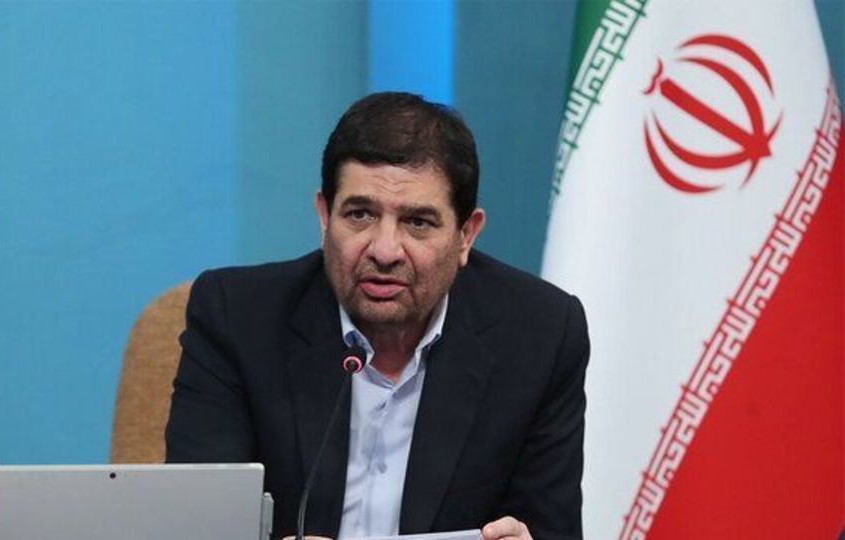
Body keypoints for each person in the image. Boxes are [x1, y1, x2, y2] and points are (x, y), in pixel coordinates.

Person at [166, 92, 589, 540]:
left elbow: (550, 528)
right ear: (324, 216)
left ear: (466, 235)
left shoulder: (540, 335)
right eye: (360, 214)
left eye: (418, 222)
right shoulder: (237, 318)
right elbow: (197, 526)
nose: (385, 251)